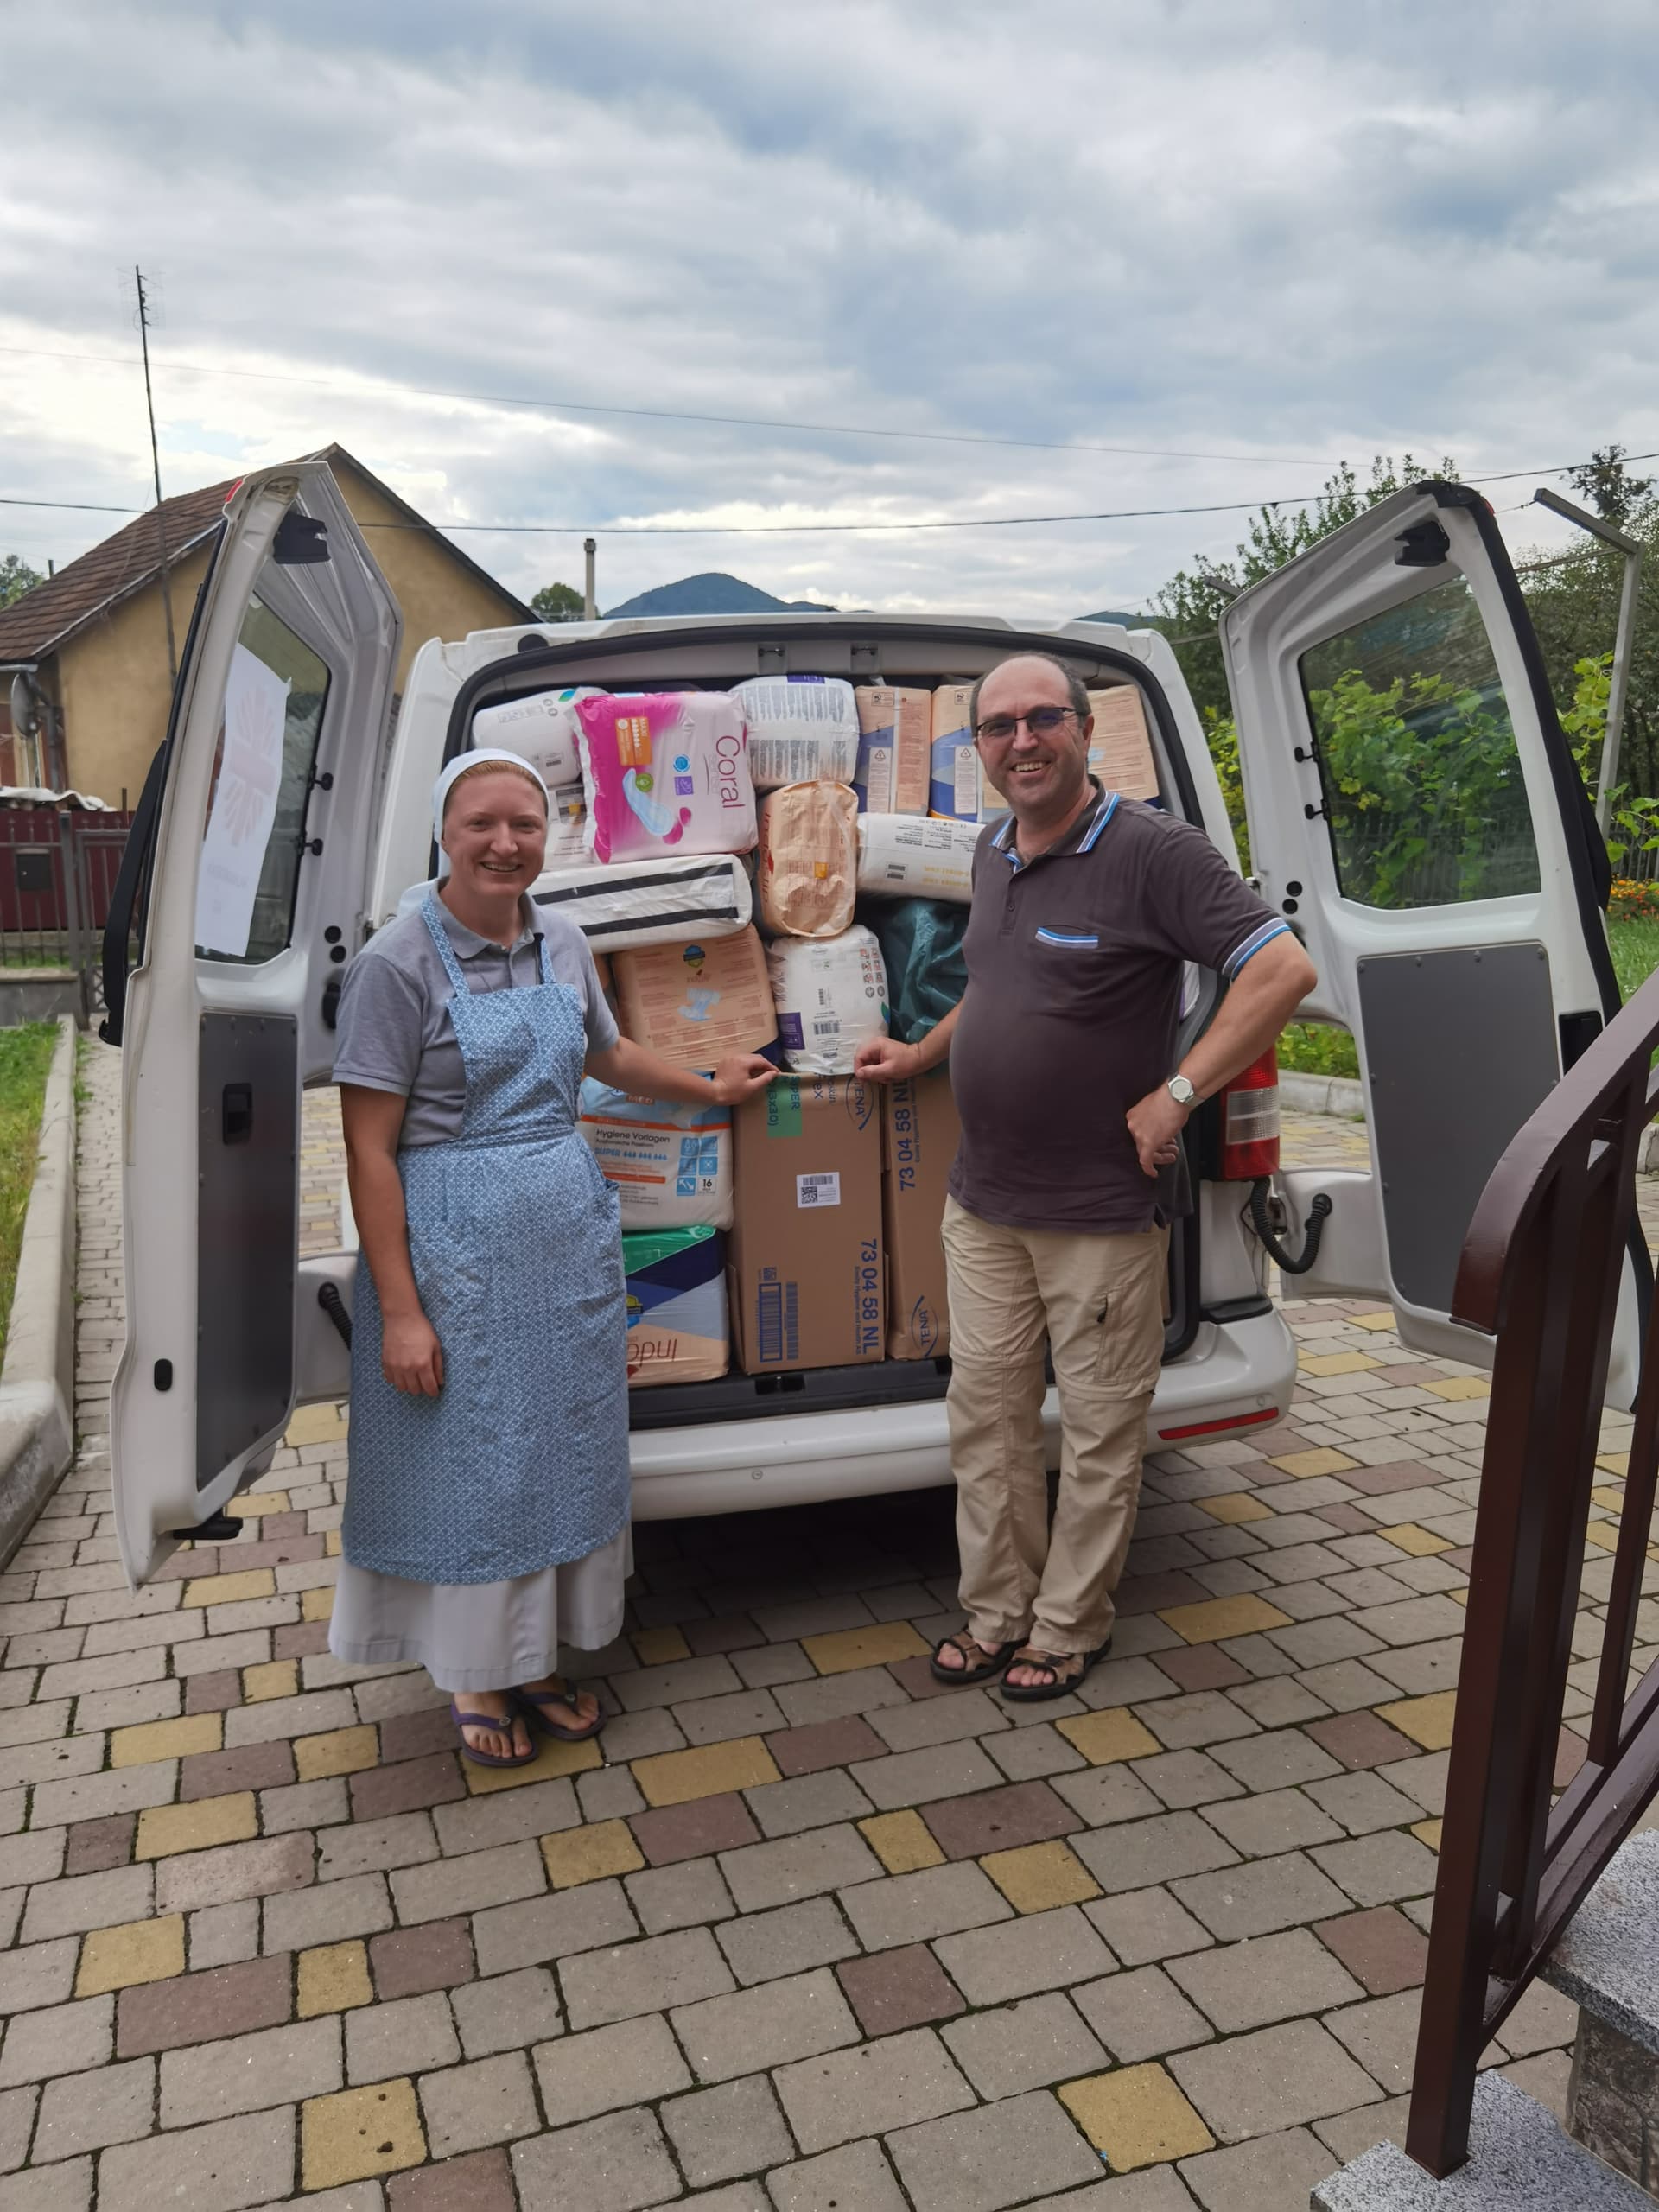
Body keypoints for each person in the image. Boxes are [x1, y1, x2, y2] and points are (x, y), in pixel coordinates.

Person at [855, 653, 1316, 1700]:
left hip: (1100, 1214)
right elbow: (997, 981)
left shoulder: (1155, 850)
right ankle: (996, 1613)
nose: (1022, 741)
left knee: (1101, 1431)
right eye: (998, 726)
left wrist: (1182, 1092)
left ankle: (1068, 1627)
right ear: (976, 748)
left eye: (1041, 720)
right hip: (984, 1205)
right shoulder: (991, 850)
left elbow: (1281, 968)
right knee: (989, 1420)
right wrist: (923, 1054)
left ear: (1082, 730)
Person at [329, 747, 774, 1766]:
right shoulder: (395, 964)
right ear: (445, 832)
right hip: (455, 1250)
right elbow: (366, 1146)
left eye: (524, 824)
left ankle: (534, 1658)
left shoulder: (564, 939)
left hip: (562, 1239)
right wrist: (400, 1310)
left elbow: (606, 1056)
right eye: (482, 823)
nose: (504, 843)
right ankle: (476, 1672)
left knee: (557, 1449)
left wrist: (710, 1085)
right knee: (476, 1462)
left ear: (546, 835)